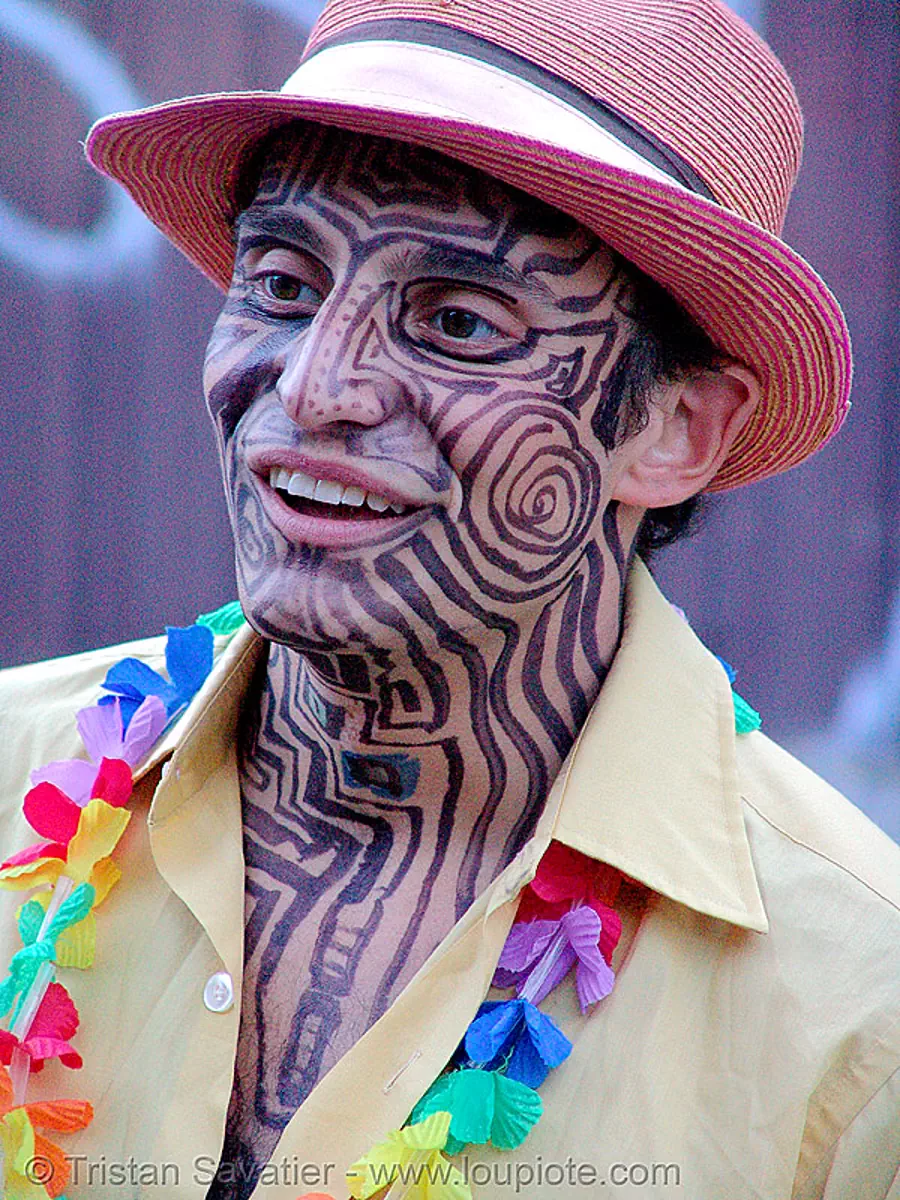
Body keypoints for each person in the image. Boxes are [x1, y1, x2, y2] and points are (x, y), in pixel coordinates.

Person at [0, 0, 897, 1196]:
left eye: (458, 321)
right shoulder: (14, 779)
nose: (314, 389)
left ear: (675, 429)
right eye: (280, 281)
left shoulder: (857, 1009)